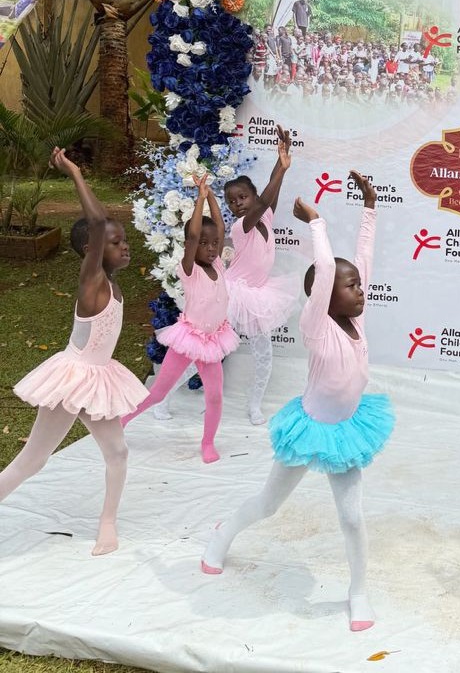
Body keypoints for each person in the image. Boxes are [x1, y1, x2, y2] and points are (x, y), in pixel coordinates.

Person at [201, 176, 394, 634]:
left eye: (359, 285)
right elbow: (326, 271)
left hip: (346, 431)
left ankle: (358, 590)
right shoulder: (317, 326)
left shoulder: (356, 320)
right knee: (269, 504)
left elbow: (360, 261)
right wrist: (318, 223)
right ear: (326, 297)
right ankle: (222, 535)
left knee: (352, 517)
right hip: (308, 427)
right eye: (351, 287)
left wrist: (370, 207)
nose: (360, 290)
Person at [3, 149, 147, 556]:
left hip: (98, 378)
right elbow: (97, 223)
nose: (125, 247)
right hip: (72, 378)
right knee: (33, 460)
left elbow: (103, 227)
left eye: (125, 241)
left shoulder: (114, 286)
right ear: (91, 251)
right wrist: (76, 172)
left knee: (117, 450)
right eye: (115, 242)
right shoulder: (93, 281)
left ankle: (107, 523)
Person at [121, 175, 238, 464]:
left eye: (215, 245)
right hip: (189, 339)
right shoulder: (189, 269)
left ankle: (207, 443)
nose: (211, 248)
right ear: (191, 247)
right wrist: (199, 199)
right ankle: (121, 421)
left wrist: (211, 196)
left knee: (215, 396)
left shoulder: (219, 266)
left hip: (212, 341)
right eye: (204, 244)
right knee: (159, 392)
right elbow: (194, 235)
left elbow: (220, 228)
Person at [222, 126, 298, 423]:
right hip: (232, 295)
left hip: (258, 297)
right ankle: (165, 396)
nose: (237, 203)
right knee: (208, 349)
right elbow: (266, 198)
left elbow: (270, 194)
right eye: (232, 201)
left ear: (253, 196)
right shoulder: (240, 227)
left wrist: (283, 158)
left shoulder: (264, 214)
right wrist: (283, 169)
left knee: (263, 356)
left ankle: (254, 405)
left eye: (243, 197)